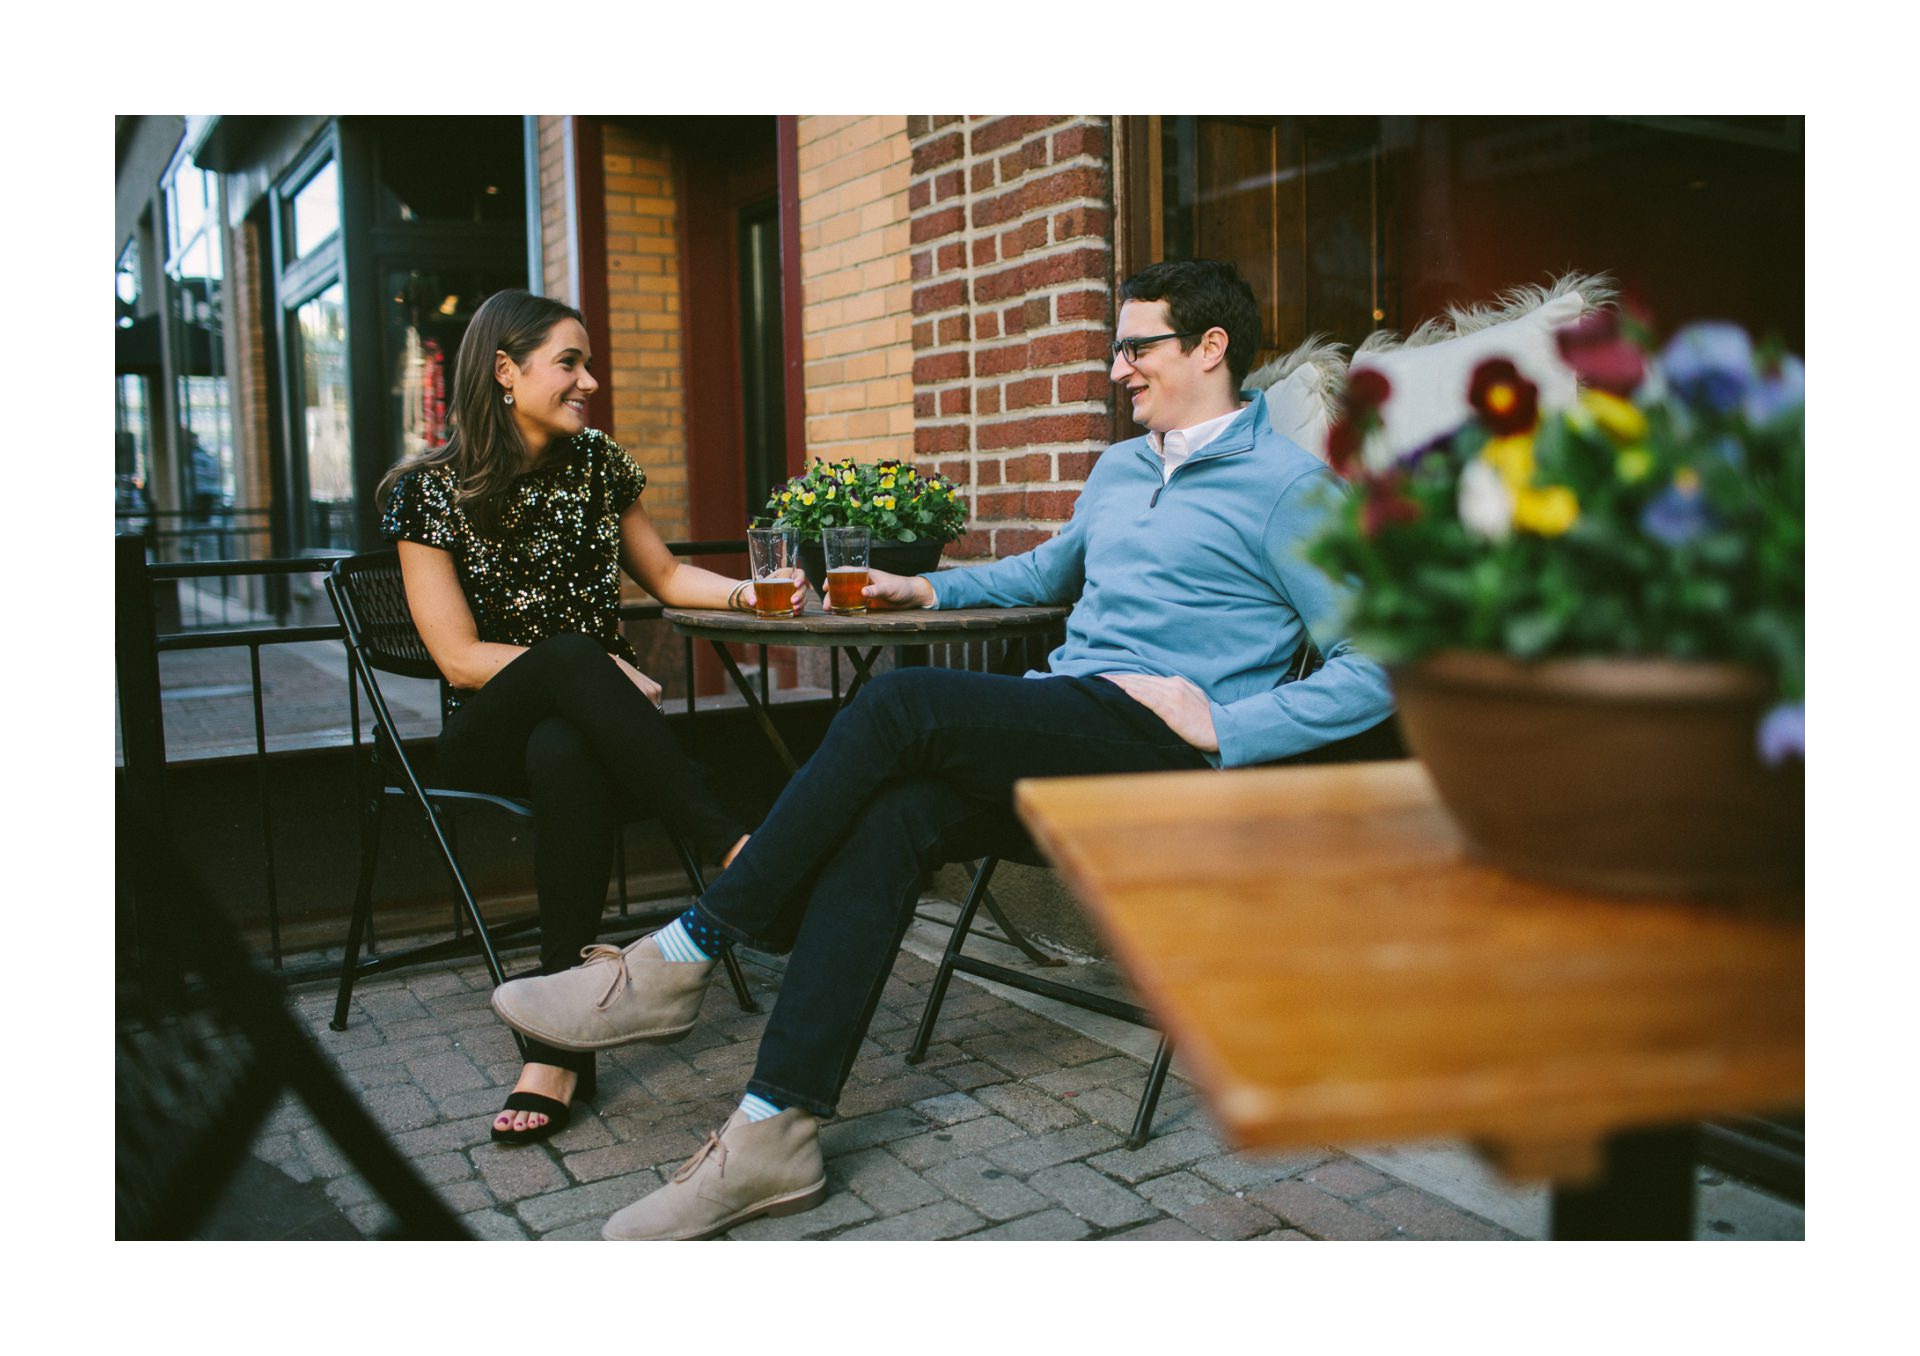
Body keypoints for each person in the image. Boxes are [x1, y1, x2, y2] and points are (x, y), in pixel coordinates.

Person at [490, 259, 1397, 1238]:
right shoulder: (1124, 466)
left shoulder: (1290, 489)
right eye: (1115, 349)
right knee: (894, 816)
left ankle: (685, 951)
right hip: (1069, 723)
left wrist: (1224, 722)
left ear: (1211, 348)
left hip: (1167, 756)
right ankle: (772, 1132)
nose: (1117, 369)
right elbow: (1047, 571)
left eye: (1137, 347)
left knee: (901, 706)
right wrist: (929, 589)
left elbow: (1379, 663)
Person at [379, 289, 803, 1147]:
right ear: (506, 370)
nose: (591, 381)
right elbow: (460, 657)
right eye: (570, 362)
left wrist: (765, 597)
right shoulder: (427, 493)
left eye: (587, 362)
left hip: (583, 736)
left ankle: (555, 1047)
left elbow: (672, 579)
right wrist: (590, 671)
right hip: (482, 736)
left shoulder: (597, 465)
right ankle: (735, 851)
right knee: (572, 665)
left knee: (568, 744)